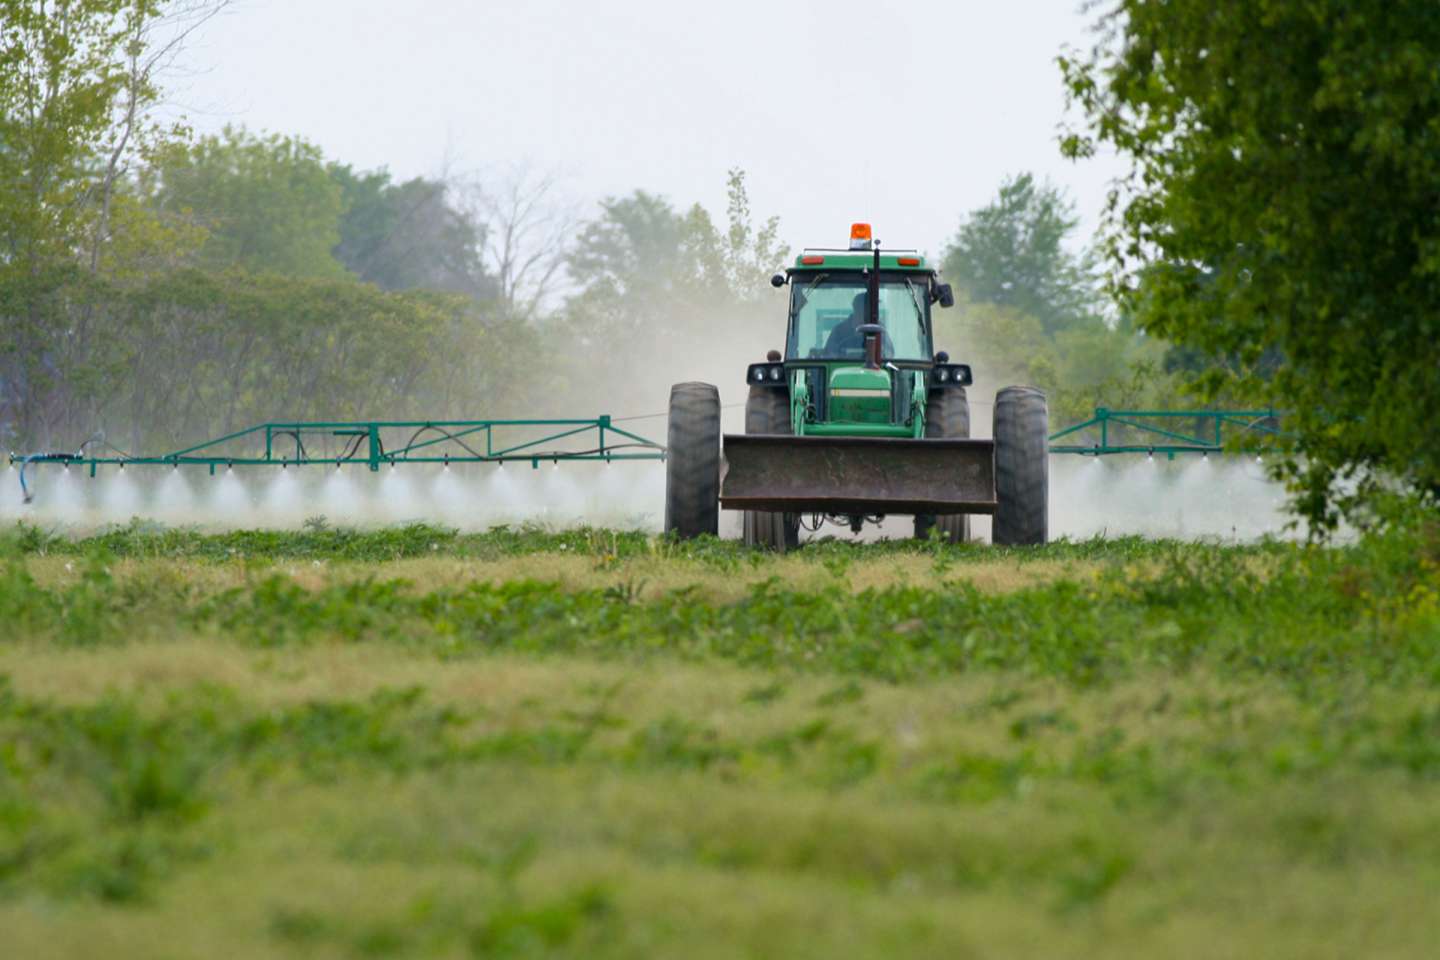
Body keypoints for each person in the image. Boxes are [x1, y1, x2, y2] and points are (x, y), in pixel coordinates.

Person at [823, 291, 892, 357]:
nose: (867, 312)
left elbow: (889, 353)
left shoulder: (879, 329)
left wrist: (881, 351)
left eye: (872, 308)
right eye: (864, 308)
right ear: (856, 308)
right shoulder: (839, 330)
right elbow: (829, 353)